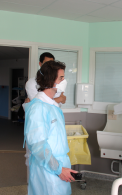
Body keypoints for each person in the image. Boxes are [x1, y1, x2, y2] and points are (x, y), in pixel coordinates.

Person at [24, 61, 77, 195]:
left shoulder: (52, 105)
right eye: (61, 78)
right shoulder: (38, 108)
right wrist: (58, 169)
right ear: (50, 80)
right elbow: (38, 145)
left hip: (58, 164)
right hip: (48, 168)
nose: (64, 81)